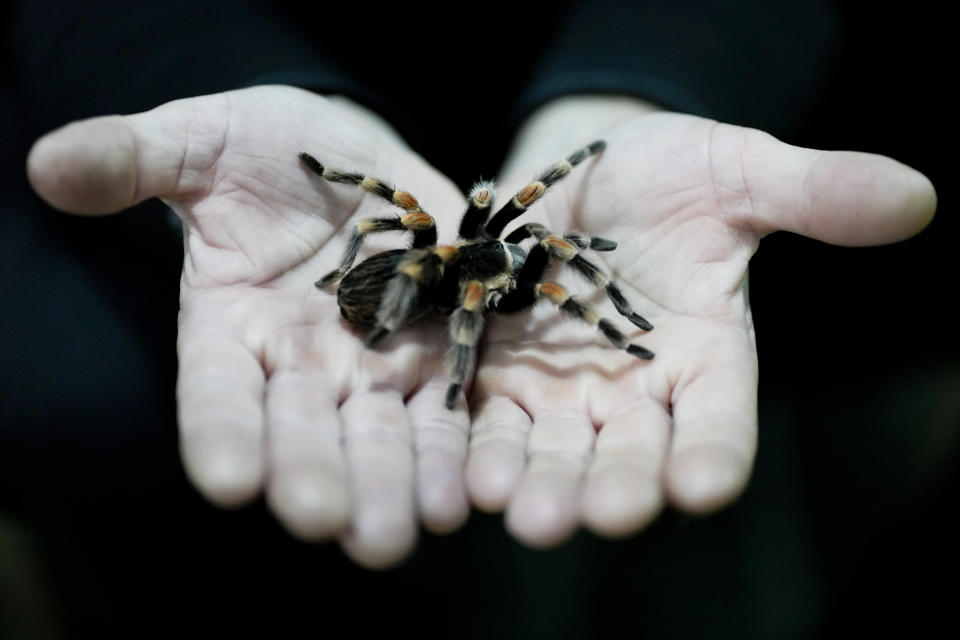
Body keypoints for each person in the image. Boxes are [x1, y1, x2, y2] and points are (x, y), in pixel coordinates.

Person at [3, 1, 947, 635]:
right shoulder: (472, 268)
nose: (534, 255)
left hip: (434, 258)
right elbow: (479, 273)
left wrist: (624, 98)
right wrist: (472, 365)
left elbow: (515, 219)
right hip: (400, 275)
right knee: (78, 400)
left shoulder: (478, 238)